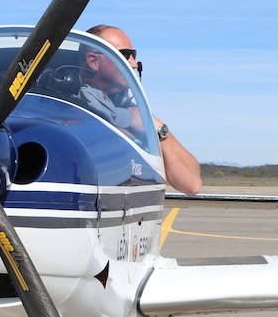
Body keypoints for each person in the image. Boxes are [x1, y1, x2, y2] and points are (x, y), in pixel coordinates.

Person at [85, 25, 202, 195]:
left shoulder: (134, 112)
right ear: (93, 61)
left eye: (134, 55)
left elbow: (191, 184)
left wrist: (157, 129)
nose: (133, 63)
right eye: (124, 55)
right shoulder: (67, 106)